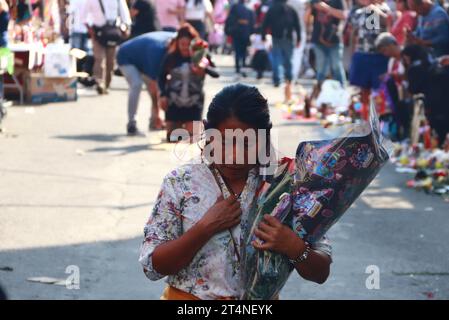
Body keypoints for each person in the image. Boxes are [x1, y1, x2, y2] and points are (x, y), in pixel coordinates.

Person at [139, 84, 332, 300]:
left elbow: (321, 271)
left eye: (247, 144)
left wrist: (293, 246)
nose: (234, 156)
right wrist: (205, 227)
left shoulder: (285, 184)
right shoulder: (181, 182)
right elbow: (153, 266)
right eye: (224, 142)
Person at [158, 24, 211, 141]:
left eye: (188, 45)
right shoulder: (171, 57)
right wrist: (162, 95)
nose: (185, 48)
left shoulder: (200, 55)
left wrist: (201, 69)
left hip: (194, 102)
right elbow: (161, 77)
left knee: (192, 140)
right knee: (172, 138)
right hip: (174, 101)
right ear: (177, 43)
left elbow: (214, 72)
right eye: (182, 44)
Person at [117, 31, 175, 135]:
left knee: (160, 87)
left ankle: (154, 122)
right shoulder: (157, 51)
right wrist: (157, 112)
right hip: (125, 56)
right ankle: (132, 123)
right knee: (136, 84)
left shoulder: (179, 38)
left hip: (142, 58)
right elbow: (154, 86)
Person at [348, 0, 391, 120]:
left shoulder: (385, 10)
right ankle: (365, 118)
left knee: (380, 90)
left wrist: (377, 11)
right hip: (362, 54)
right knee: (364, 90)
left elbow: (387, 24)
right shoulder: (357, 12)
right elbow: (354, 33)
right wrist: (353, 53)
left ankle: (380, 119)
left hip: (379, 56)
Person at [82, 0, 132, 95]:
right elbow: (83, 16)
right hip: (97, 32)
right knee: (99, 59)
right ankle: (99, 82)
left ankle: (107, 84)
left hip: (112, 32)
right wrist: (90, 29)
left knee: (111, 61)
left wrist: (125, 27)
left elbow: (125, 15)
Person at [262, 0, 301, 102]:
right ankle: (289, 78)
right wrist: (299, 38)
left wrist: (263, 36)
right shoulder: (291, 10)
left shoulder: (272, 9)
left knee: (276, 59)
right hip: (288, 38)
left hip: (277, 37)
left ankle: (277, 79)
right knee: (289, 60)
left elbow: (265, 23)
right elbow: (297, 25)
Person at [309, 0, 347, 100]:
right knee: (321, 69)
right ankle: (318, 95)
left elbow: (344, 15)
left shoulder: (338, 1)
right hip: (318, 41)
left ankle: (342, 93)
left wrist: (326, 8)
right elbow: (307, 18)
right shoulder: (314, 1)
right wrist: (309, 7)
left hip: (335, 40)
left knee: (336, 67)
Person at [225, 0, 255, 78]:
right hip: (246, 32)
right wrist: (251, 32)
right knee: (244, 51)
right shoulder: (249, 8)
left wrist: (228, 31)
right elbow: (252, 22)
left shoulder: (234, 7)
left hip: (236, 32)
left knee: (237, 50)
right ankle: (243, 67)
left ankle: (238, 67)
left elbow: (229, 19)